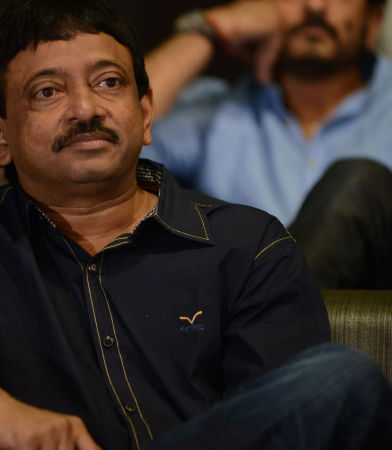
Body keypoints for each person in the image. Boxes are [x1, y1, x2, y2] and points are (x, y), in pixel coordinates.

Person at [0, 0, 390, 449]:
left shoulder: (246, 244)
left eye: (109, 83)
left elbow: (286, 420)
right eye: (47, 91)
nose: (85, 108)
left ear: (145, 114)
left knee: (339, 381)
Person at [142, 0, 392, 288]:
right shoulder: (216, 111)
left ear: (373, 22)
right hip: (235, 296)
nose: (315, 5)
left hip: (371, 308)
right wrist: (213, 28)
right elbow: (117, 138)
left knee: (358, 182)